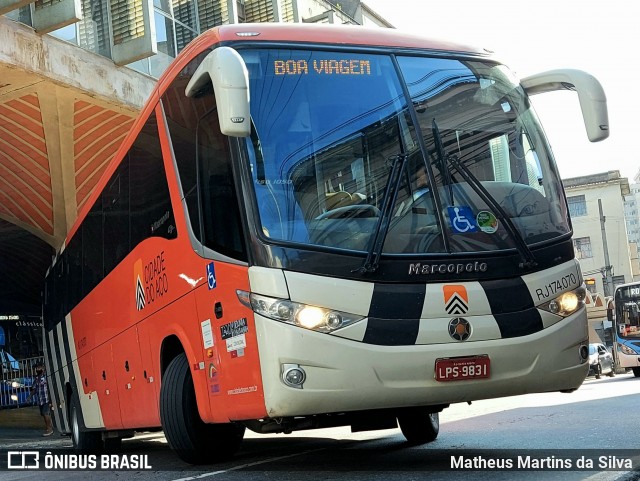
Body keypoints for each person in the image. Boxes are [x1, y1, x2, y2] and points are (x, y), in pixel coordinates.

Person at [27, 362, 53, 436]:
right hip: (40, 399)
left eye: (39, 367)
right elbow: (34, 389)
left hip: (46, 398)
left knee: (45, 413)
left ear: (43, 368)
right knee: (43, 414)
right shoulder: (36, 379)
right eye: (37, 368)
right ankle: (48, 428)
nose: (37, 369)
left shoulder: (46, 377)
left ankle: (49, 429)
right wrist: (29, 397)